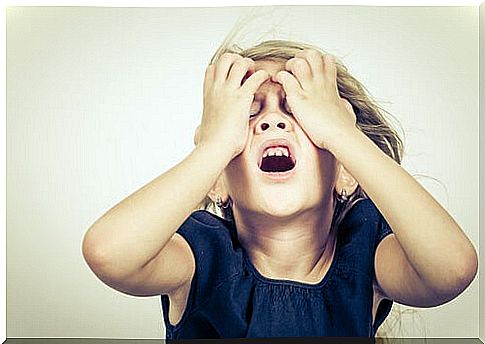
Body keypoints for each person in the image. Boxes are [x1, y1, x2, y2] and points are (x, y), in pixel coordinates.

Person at [81, 39, 478, 339]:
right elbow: (108, 253)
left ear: (345, 172)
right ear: (217, 180)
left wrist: (342, 132)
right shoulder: (200, 257)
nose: (272, 120)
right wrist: (215, 144)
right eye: (250, 113)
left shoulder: (366, 256)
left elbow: (453, 270)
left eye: (298, 111)